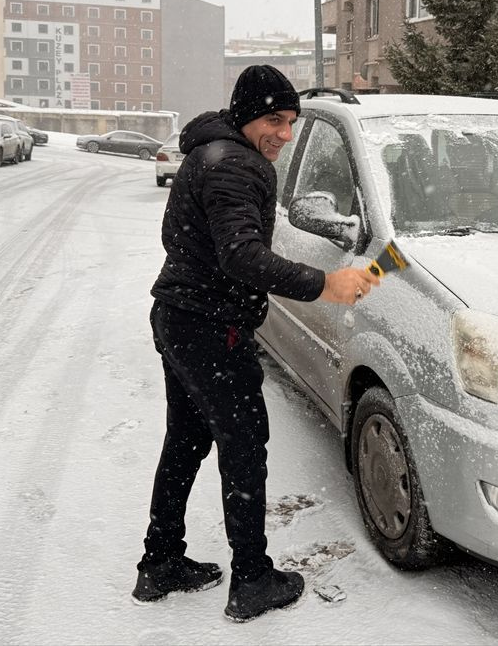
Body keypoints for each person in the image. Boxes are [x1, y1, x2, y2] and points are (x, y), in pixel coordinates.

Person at [133, 65, 380, 622]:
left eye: (291, 121)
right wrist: (325, 283)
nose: (285, 134)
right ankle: (251, 580)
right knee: (243, 448)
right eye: (275, 119)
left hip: (180, 317)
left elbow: (184, 239)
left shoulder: (211, 152)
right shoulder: (235, 168)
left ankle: (161, 561)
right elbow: (241, 255)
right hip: (209, 329)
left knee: (186, 442)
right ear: (247, 115)